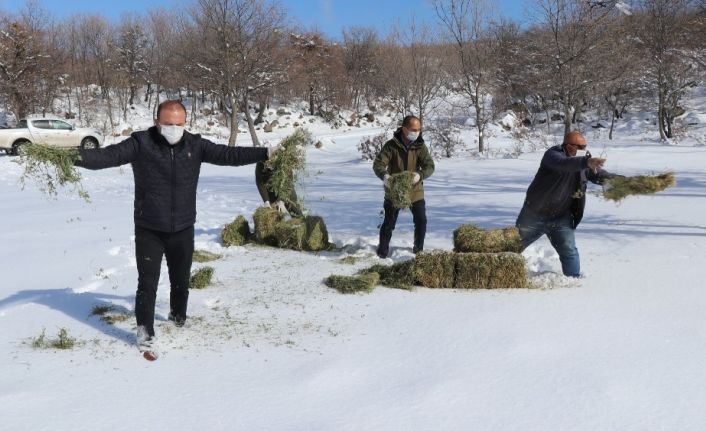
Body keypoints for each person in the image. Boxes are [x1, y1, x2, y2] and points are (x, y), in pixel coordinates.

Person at [75, 100, 275, 349]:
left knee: (181, 278)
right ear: (156, 122)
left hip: (183, 225)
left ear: (185, 123)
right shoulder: (140, 144)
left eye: (178, 124)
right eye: (168, 123)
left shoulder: (195, 145)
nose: (173, 128)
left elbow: (228, 155)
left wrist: (264, 153)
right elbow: (104, 157)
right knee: (147, 283)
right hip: (149, 227)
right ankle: (144, 332)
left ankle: (178, 316)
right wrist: (70, 156)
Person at [516, 131, 618, 277]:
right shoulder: (553, 155)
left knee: (569, 250)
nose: (582, 151)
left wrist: (623, 181)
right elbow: (563, 164)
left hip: (561, 217)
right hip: (534, 214)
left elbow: (599, 174)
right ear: (568, 146)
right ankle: (495, 271)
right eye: (579, 147)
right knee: (514, 245)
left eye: (584, 147)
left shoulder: (582, 163)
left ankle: (573, 281)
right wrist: (585, 162)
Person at [373, 115, 435, 258]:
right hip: (394, 191)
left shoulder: (420, 146)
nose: (417, 132)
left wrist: (419, 175)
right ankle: (382, 252)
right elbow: (378, 164)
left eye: (419, 129)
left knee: (421, 221)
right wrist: (385, 177)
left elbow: (429, 165)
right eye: (414, 129)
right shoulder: (391, 145)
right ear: (404, 129)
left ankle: (418, 251)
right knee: (389, 223)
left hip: (415, 191)